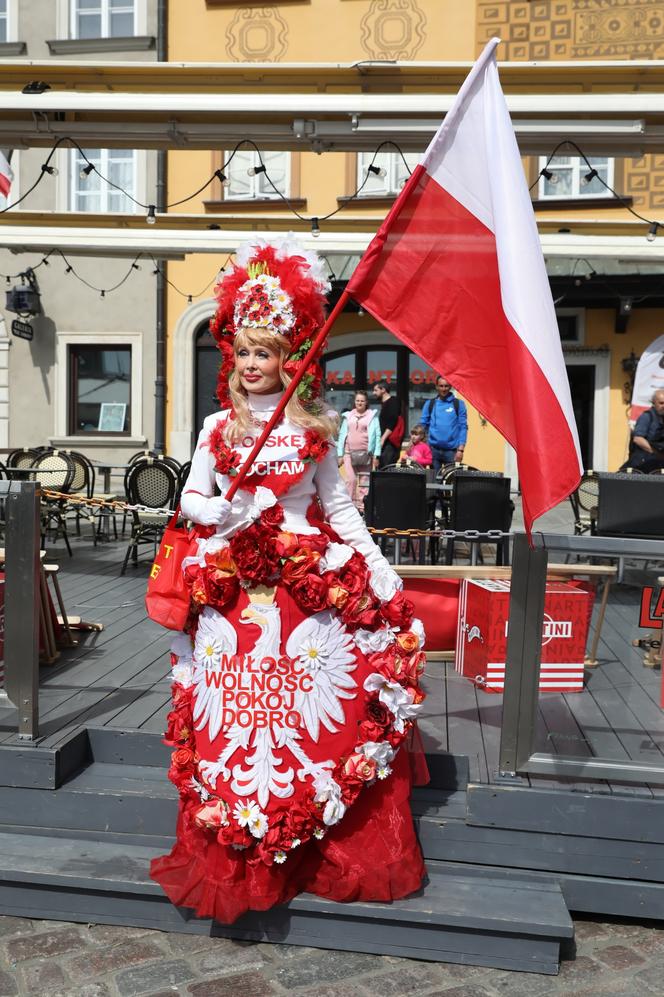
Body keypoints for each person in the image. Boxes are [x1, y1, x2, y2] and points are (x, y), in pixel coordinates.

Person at [150, 239, 427, 926]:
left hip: (307, 591)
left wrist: (383, 570)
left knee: (311, 714)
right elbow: (189, 500)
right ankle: (241, 838)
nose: (250, 365)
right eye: (242, 352)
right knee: (234, 722)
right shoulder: (217, 426)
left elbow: (338, 512)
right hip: (231, 593)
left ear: (286, 358)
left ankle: (309, 839)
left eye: (263, 352)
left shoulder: (319, 428)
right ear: (231, 356)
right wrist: (214, 509)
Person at [336, 390, 380, 509]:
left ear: (366, 402)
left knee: (364, 482)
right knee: (351, 480)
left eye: (362, 401)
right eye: (357, 400)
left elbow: (377, 436)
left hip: (366, 454)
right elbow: (342, 435)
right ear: (354, 402)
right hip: (348, 453)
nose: (359, 403)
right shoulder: (348, 416)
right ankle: (348, 506)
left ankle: (362, 507)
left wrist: (376, 455)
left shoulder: (372, 417)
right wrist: (339, 454)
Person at [421, 375, 468, 474]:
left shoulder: (459, 404)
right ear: (436, 387)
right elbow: (422, 425)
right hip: (433, 450)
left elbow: (463, 427)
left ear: (450, 386)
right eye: (441, 386)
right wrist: (414, 442)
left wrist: (461, 450)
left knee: (450, 482)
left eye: (446, 386)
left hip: (452, 451)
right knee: (434, 483)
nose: (443, 389)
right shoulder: (430, 404)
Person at [622, 390, 664, 472]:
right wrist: (657, 453)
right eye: (661, 403)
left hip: (658, 467)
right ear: (654, 403)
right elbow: (638, 439)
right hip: (641, 466)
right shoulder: (647, 416)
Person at [372, 379, 403, 467]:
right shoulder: (385, 404)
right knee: (381, 469)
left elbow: (392, 422)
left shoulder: (393, 402)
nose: (374, 393)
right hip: (385, 444)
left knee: (386, 469)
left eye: (376, 390)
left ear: (383, 390)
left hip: (390, 444)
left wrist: (382, 439)